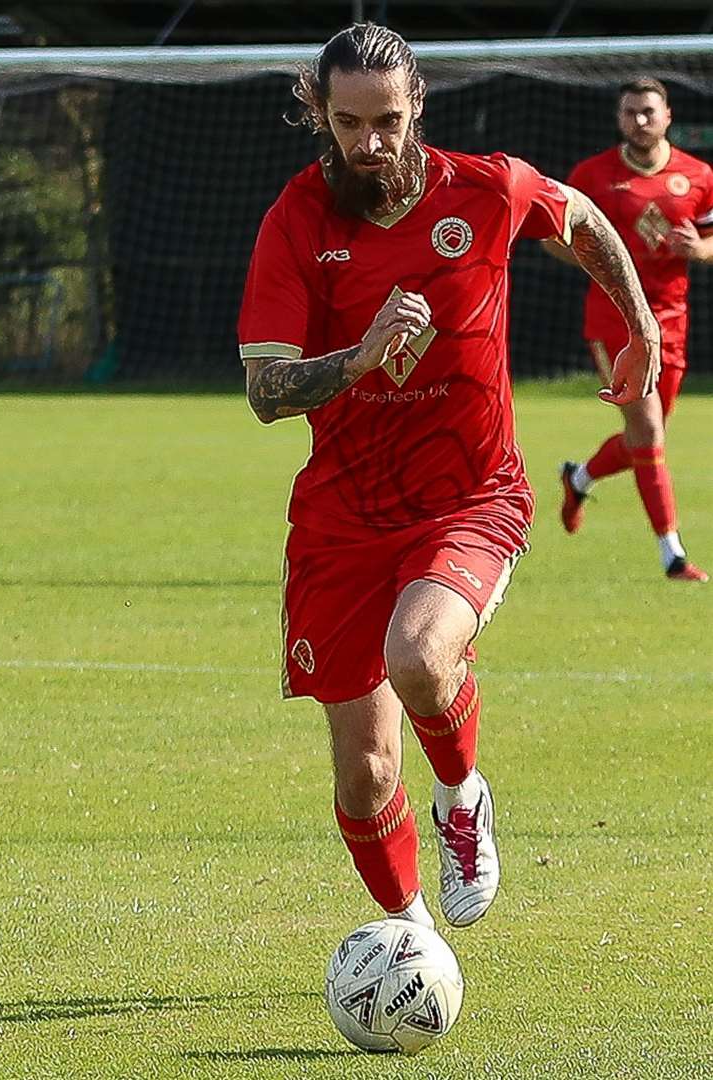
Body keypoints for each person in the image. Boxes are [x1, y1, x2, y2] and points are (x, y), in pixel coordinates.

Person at [239, 24, 658, 931]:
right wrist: (358, 358)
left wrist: (641, 328)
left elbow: (581, 218)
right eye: (350, 123)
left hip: (469, 498)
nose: (370, 143)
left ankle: (463, 798)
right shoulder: (297, 218)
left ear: (417, 107)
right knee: (364, 771)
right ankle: (413, 937)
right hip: (342, 515)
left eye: (387, 121)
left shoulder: (487, 187)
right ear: (320, 112)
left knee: (421, 657)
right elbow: (266, 390)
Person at [550, 78, 711, 582]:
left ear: (667, 116)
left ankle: (579, 477)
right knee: (648, 433)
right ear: (619, 120)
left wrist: (699, 250)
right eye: (629, 113)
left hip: (671, 319)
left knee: (645, 436)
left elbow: (710, 242)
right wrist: (600, 261)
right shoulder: (592, 175)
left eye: (647, 111)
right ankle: (673, 555)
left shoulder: (699, 174)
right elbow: (554, 238)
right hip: (615, 320)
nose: (639, 121)